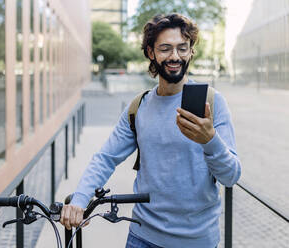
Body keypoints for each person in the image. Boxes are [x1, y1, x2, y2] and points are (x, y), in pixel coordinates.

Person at [60, 13, 241, 248]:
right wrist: (80, 199)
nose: (175, 56)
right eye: (165, 48)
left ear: (191, 52)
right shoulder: (138, 108)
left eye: (182, 48)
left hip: (198, 241)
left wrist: (210, 140)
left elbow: (231, 176)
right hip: (142, 237)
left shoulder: (213, 103)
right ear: (150, 52)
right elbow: (105, 158)